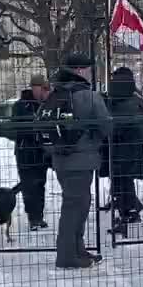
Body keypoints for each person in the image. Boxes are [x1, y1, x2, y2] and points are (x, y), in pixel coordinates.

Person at [45, 53, 112, 269]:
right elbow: (106, 125)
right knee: (75, 207)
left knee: (76, 204)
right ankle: (67, 256)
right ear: (81, 71)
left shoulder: (56, 93)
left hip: (61, 159)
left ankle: (77, 248)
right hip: (82, 159)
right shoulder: (89, 96)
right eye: (90, 69)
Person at [107, 67, 143, 234]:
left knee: (122, 182)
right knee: (122, 182)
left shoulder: (128, 102)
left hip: (124, 149)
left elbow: (120, 124)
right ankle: (129, 209)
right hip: (124, 149)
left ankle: (129, 211)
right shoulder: (130, 99)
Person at [12, 75, 51, 230]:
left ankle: (39, 216)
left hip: (41, 151)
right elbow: (18, 126)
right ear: (35, 87)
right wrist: (36, 124)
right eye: (41, 87)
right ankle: (33, 217)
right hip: (25, 151)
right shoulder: (21, 105)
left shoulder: (46, 104)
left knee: (40, 184)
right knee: (29, 186)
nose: (42, 91)